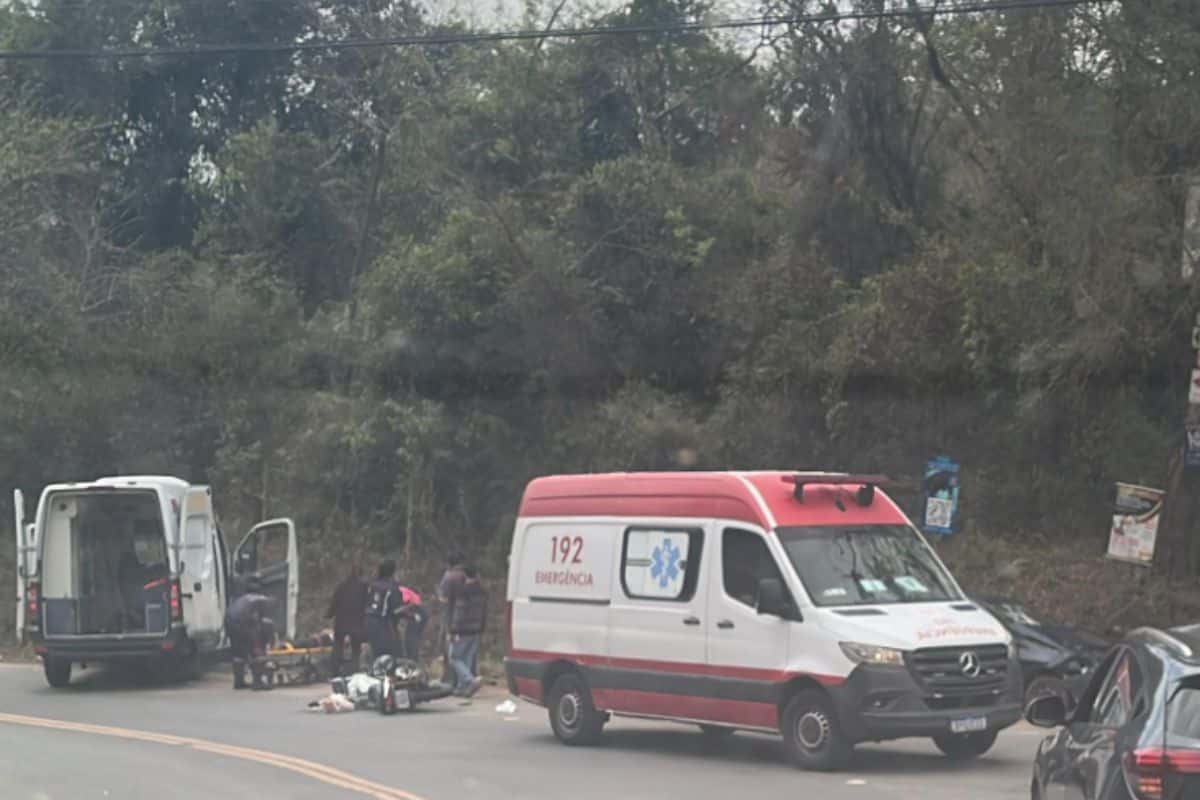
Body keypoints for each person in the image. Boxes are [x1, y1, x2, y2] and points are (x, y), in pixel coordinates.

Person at [225, 583, 276, 690]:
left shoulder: (239, 599)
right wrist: (269, 639)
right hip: (244, 624)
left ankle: (239, 682)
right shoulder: (260, 598)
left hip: (229, 624)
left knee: (238, 654)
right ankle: (257, 682)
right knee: (257, 651)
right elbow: (265, 619)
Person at [446, 564, 487, 698]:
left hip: (462, 630)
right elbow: (484, 612)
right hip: (476, 629)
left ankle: (470, 680)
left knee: (454, 657)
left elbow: (459, 613)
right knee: (466, 659)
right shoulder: (482, 591)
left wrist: (452, 631)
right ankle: (462, 687)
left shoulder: (462, 591)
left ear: (464, 575)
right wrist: (482, 628)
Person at [327, 562, 368, 675]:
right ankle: (354, 670)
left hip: (341, 621)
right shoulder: (364, 586)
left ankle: (334, 671)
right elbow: (368, 603)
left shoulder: (342, 585)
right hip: (356, 622)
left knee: (338, 645)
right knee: (356, 647)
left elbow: (334, 602)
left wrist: (329, 614)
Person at [365, 559, 404, 660]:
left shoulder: (371, 584)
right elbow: (395, 611)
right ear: (393, 572)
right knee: (390, 654)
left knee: (376, 652)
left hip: (367, 620)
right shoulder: (392, 588)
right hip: (382, 624)